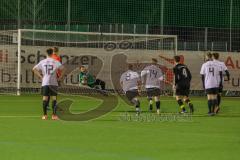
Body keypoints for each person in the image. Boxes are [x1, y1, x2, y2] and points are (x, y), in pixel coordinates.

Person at [32, 48, 64, 120]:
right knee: (54, 98)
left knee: (45, 98)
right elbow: (64, 69)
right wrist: (60, 77)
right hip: (54, 83)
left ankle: (45, 115)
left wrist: (40, 76)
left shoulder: (42, 61)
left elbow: (34, 69)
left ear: (46, 53)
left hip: (45, 82)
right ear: (52, 53)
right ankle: (54, 115)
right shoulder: (56, 61)